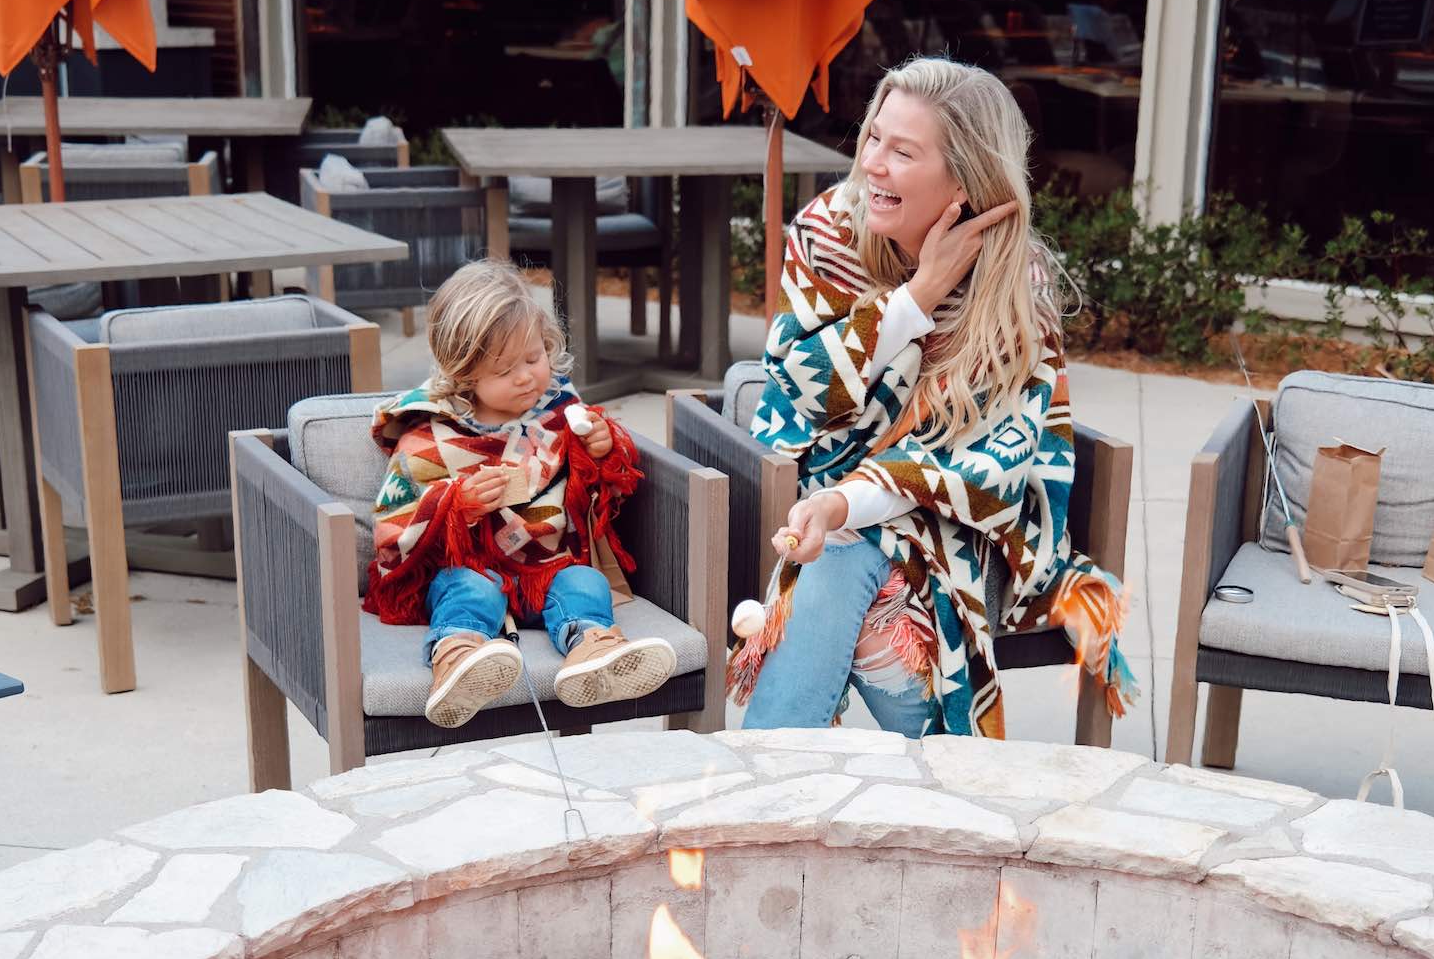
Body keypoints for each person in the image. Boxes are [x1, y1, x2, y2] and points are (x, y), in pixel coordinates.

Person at [733, 56, 1135, 739]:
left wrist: (840, 502)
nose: (871, 165)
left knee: (849, 580)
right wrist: (913, 300)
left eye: (903, 151)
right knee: (849, 572)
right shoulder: (827, 232)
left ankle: (766, 800)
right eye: (873, 138)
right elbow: (798, 391)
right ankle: (938, 785)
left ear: (965, 180)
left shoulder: (1015, 286)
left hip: (964, 529)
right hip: (820, 507)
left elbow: (982, 471)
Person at [364, 259, 675, 728]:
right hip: (474, 570)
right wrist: (456, 503)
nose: (527, 377)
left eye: (534, 358)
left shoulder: (559, 412)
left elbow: (612, 479)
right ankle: (459, 658)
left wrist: (603, 446)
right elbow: (393, 527)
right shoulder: (429, 435)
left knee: (585, 583)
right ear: (465, 375)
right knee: (469, 591)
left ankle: (593, 648)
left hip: (547, 568)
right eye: (505, 370)